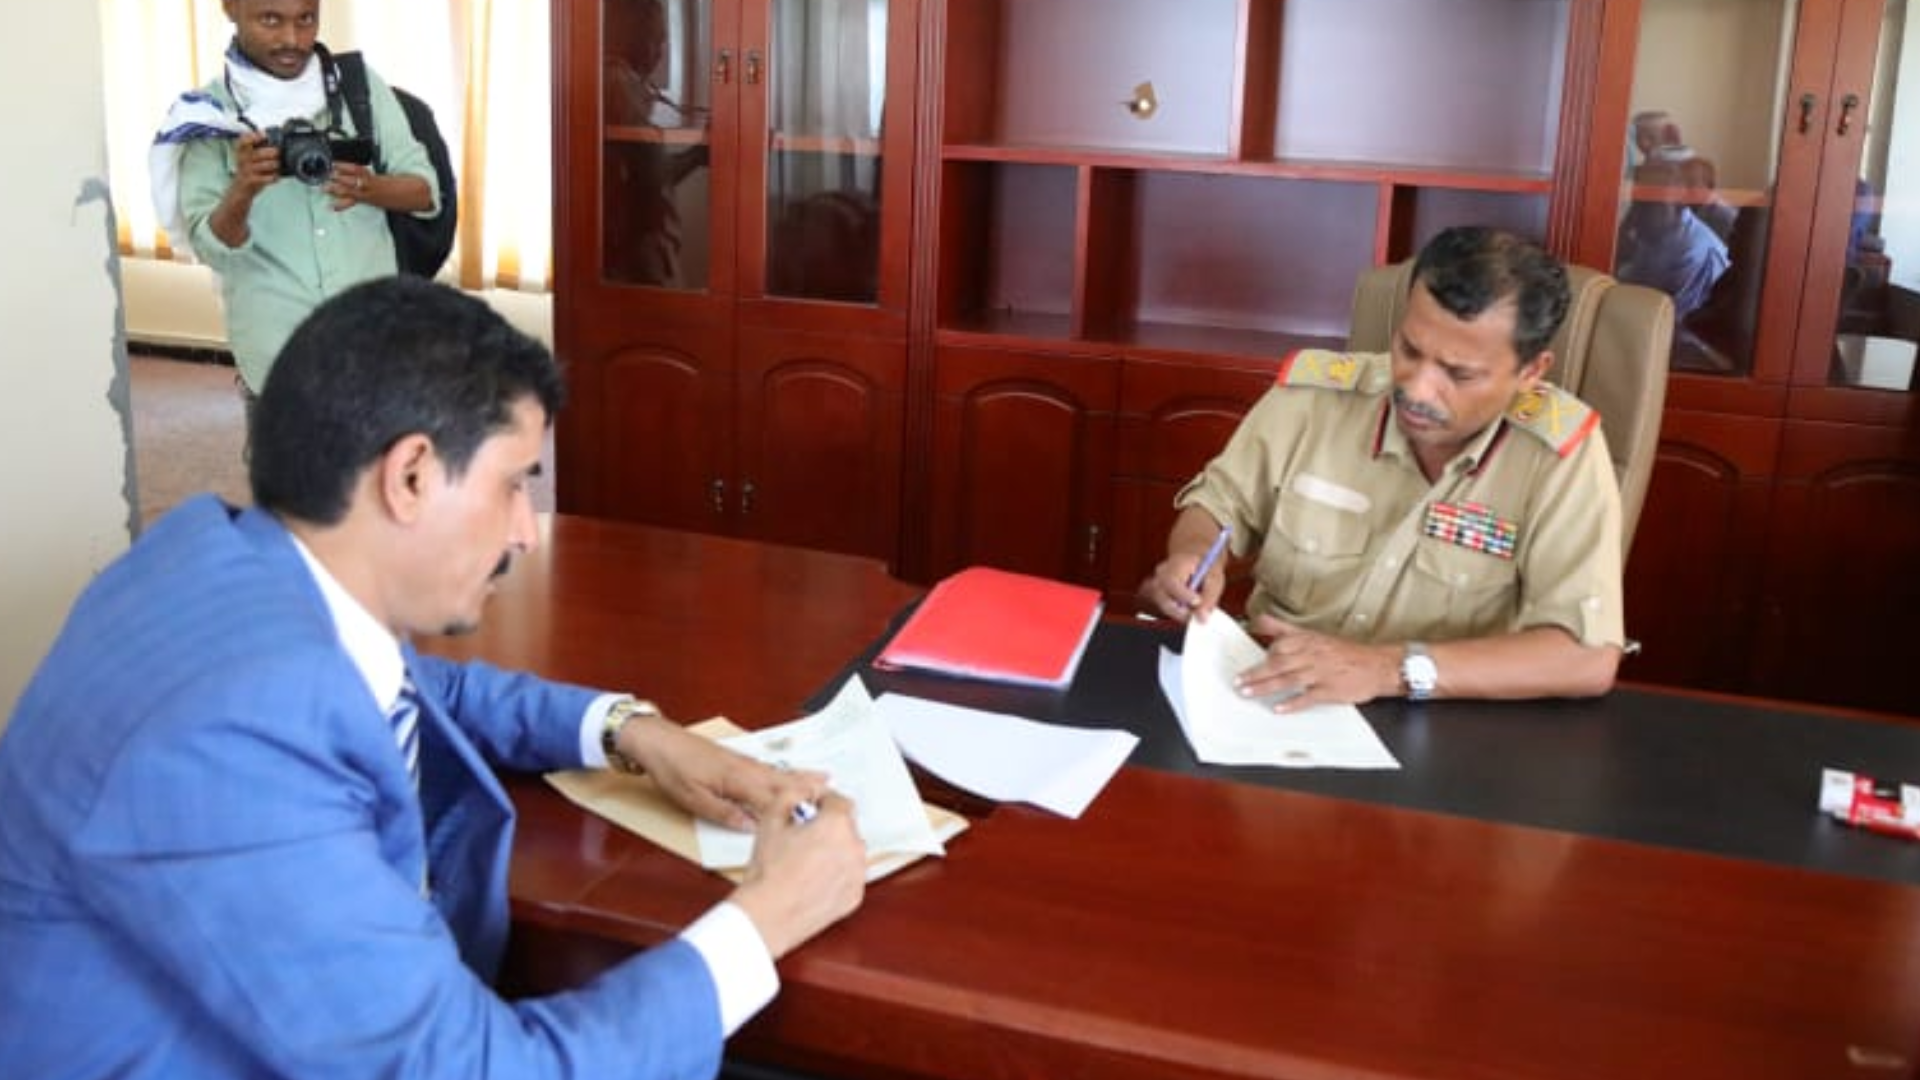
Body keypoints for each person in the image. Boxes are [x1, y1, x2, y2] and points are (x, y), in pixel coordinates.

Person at [0, 276, 868, 1078]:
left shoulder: (216, 558)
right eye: (513, 485)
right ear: (410, 475)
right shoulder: (235, 729)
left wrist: (634, 733)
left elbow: (426, 689)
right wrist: (772, 914)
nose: (525, 530)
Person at [1140, 226, 1625, 707]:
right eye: (1409, 350)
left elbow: (1586, 658)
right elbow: (1219, 505)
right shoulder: (1314, 400)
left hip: (1441, 714)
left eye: (1458, 373)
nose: (1416, 389)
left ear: (1531, 372)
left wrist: (1387, 669)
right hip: (1274, 691)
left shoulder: (1559, 456)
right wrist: (1194, 554)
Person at [156, 0, 437, 397]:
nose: (292, 39)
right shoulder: (209, 115)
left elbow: (425, 192)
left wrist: (368, 187)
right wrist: (243, 189)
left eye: (306, 19)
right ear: (231, 8)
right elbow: (212, 249)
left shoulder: (358, 89)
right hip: (278, 358)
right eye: (271, 19)